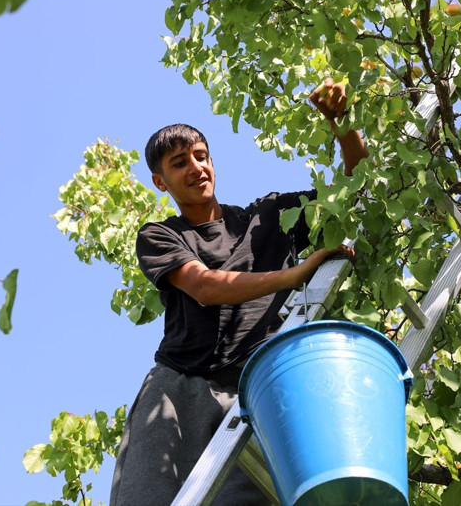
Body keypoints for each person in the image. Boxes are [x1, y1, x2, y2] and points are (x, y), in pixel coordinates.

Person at [110, 78, 369, 506]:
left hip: (256, 388)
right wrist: (294, 276)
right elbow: (204, 287)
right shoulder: (160, 235)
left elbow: (355, 187)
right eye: (180, 163)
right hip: (180, 389)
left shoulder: (270, 216)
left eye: (201, 156)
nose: (196, 167)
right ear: (160, 181)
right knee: (147, 496)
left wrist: (342, 123)